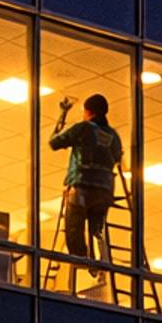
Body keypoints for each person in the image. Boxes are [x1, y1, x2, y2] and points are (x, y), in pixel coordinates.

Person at [49, 93, 122, 260]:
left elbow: (54, 142)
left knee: (74, 228)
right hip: (104, 191)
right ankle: (101, 263)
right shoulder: (114, 136)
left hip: (81, 186)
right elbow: (117, 157)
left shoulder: (84, 128)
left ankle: (80, 259)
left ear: (88, 111)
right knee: (97, 230)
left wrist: (62, 115)